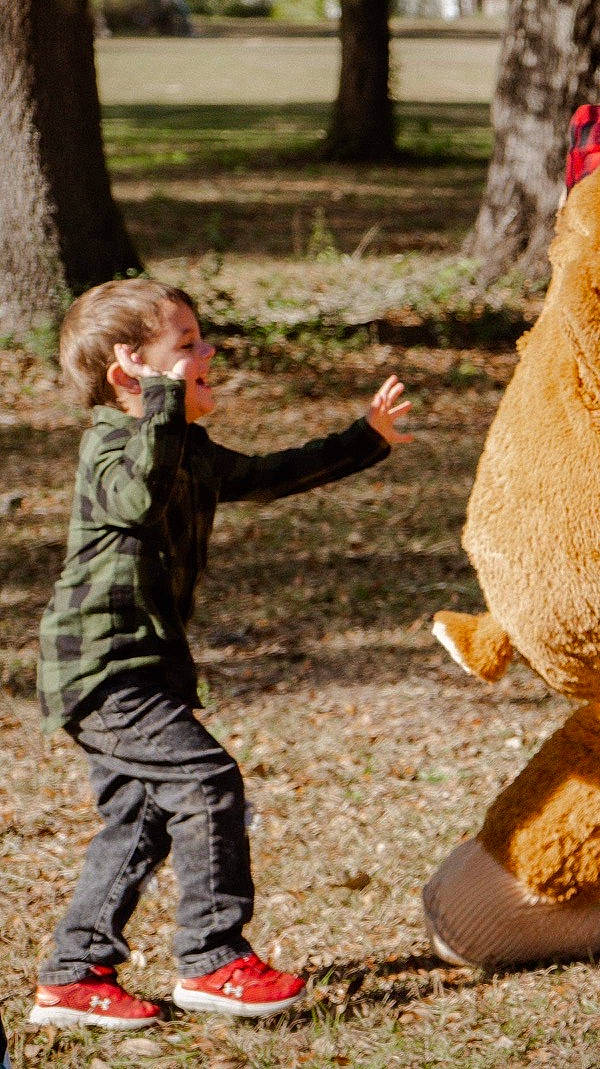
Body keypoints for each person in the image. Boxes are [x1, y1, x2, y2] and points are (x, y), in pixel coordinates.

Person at [28, 279, 413, 1031]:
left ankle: (73, 976)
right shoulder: (111, 448)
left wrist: (364, 438)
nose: (208, 352)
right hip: (100, 667)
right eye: (187, 343)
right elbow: (140, 498)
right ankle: (212, 957)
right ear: (128, 367)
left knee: (140, 817)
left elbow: (269, 475)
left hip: (141, 666)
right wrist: (162, 401)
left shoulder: (187, 450)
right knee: (206, 780)